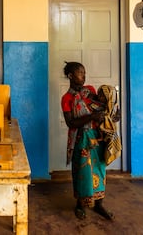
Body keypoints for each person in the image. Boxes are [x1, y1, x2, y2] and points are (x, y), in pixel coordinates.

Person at [61, 62, 114, 220]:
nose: (84, 76)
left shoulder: (90, 90)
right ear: (71, 76)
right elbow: (71, 123)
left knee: (99, 169)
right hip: (81, 139)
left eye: (84, 73)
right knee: (82, 172)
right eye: (80, 73)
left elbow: (102, 106)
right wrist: (91, 117)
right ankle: (80, 205)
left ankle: (99, 205)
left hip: (97, 137)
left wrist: (112, 104)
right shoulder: (67, 98)